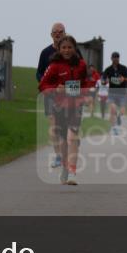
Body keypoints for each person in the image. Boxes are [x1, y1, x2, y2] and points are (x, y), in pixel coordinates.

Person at [38, 35, 94, 185]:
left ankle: (72, 172)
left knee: (72, 137)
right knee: (63, 140)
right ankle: (65, 167)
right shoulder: (54, 66)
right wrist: (55, 89)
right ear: (59, 49)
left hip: (76, 105)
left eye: (70, 47)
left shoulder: (81, 64)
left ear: (74, 48)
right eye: (64, 47)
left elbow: (87, 82)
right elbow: (42, 85)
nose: (67, 50)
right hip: (59, 107)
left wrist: (87, 95)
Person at [37, 23, 66, 169]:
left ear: (65, 33)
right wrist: (45, 85)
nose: (58, 34)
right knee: (54, 126)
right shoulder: (45, 53)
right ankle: (58, 156)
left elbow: (80, 74)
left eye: (61, 31)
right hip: (51, 95)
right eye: (55, 32)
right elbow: (39, 73)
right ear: (51, 35)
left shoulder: (72, 52)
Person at [101, 51, 127, 134]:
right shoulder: (108, 69)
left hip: (122, 93)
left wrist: (124, 79)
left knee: (122, 111)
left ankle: (118, 117)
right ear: (111, 58)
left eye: (117, 57)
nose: (116, 59)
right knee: (113, 109)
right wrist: (105, 81)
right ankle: (113, 128)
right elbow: (103, 80)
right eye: (114, 57)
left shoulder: (123, 68)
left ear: (119, 58)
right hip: (112, 93)